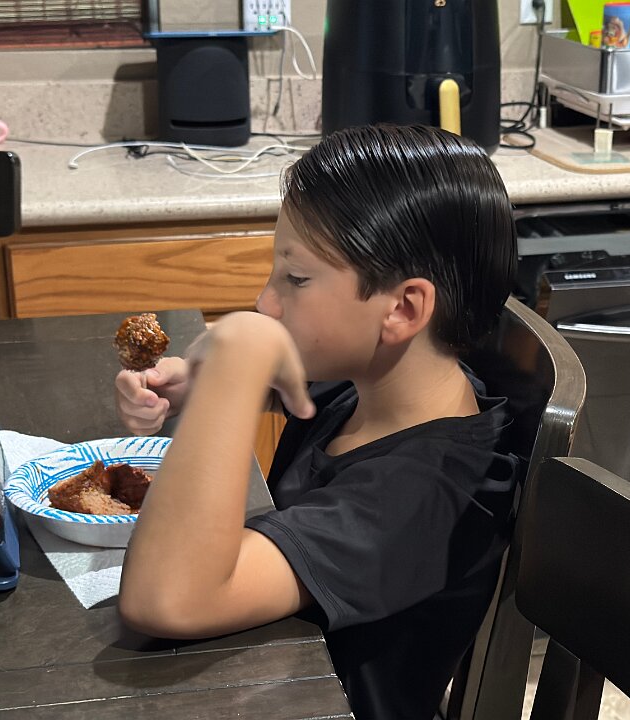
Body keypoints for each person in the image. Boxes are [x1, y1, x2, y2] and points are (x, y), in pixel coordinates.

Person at [114, 124, 521, 719]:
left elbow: (166, 600)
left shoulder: (424, 496)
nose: (266, 302)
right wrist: (193, 382)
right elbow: (288, 383)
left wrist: (231, 376)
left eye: (296, 279)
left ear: (403, 308)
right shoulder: (382, 384)